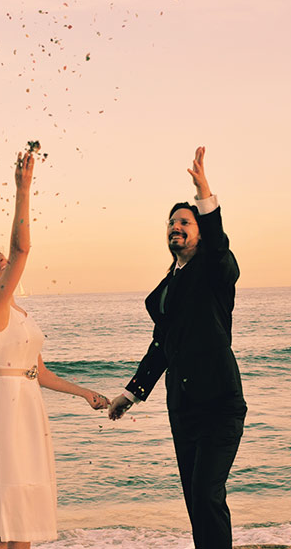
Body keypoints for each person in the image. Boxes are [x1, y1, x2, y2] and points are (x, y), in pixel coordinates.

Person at [0, 150, 110, 549]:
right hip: (3, 403)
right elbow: (23, 249)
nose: (2, 260)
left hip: (25, 400)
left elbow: (38, 373)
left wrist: (84, 393)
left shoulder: (20, 311)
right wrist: (23, 190)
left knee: (23, 512)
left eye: (0, 256)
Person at [108, 146, 247, 549]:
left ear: (200, 231)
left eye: (185, 222)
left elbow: (219, 245)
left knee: (208, 495)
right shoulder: (166, 290)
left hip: (220, 404)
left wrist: (204, 193)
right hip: (183, 410)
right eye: (171, 223)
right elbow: (161, 348)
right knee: (195, 503)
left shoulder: (215, 272)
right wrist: (130, 394)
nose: (176, 227)